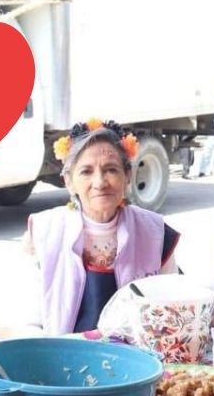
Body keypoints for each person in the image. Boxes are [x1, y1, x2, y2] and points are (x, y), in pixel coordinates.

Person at [25, 120, 180, 335]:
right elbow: (31, 324)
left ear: (127, 176)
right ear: (69, 181)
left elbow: (173, 309)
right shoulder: (46, 233)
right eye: (86, 172)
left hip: (138, 362)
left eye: (111, 170)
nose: (99, 182)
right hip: (63, 358)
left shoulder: (154, 233)